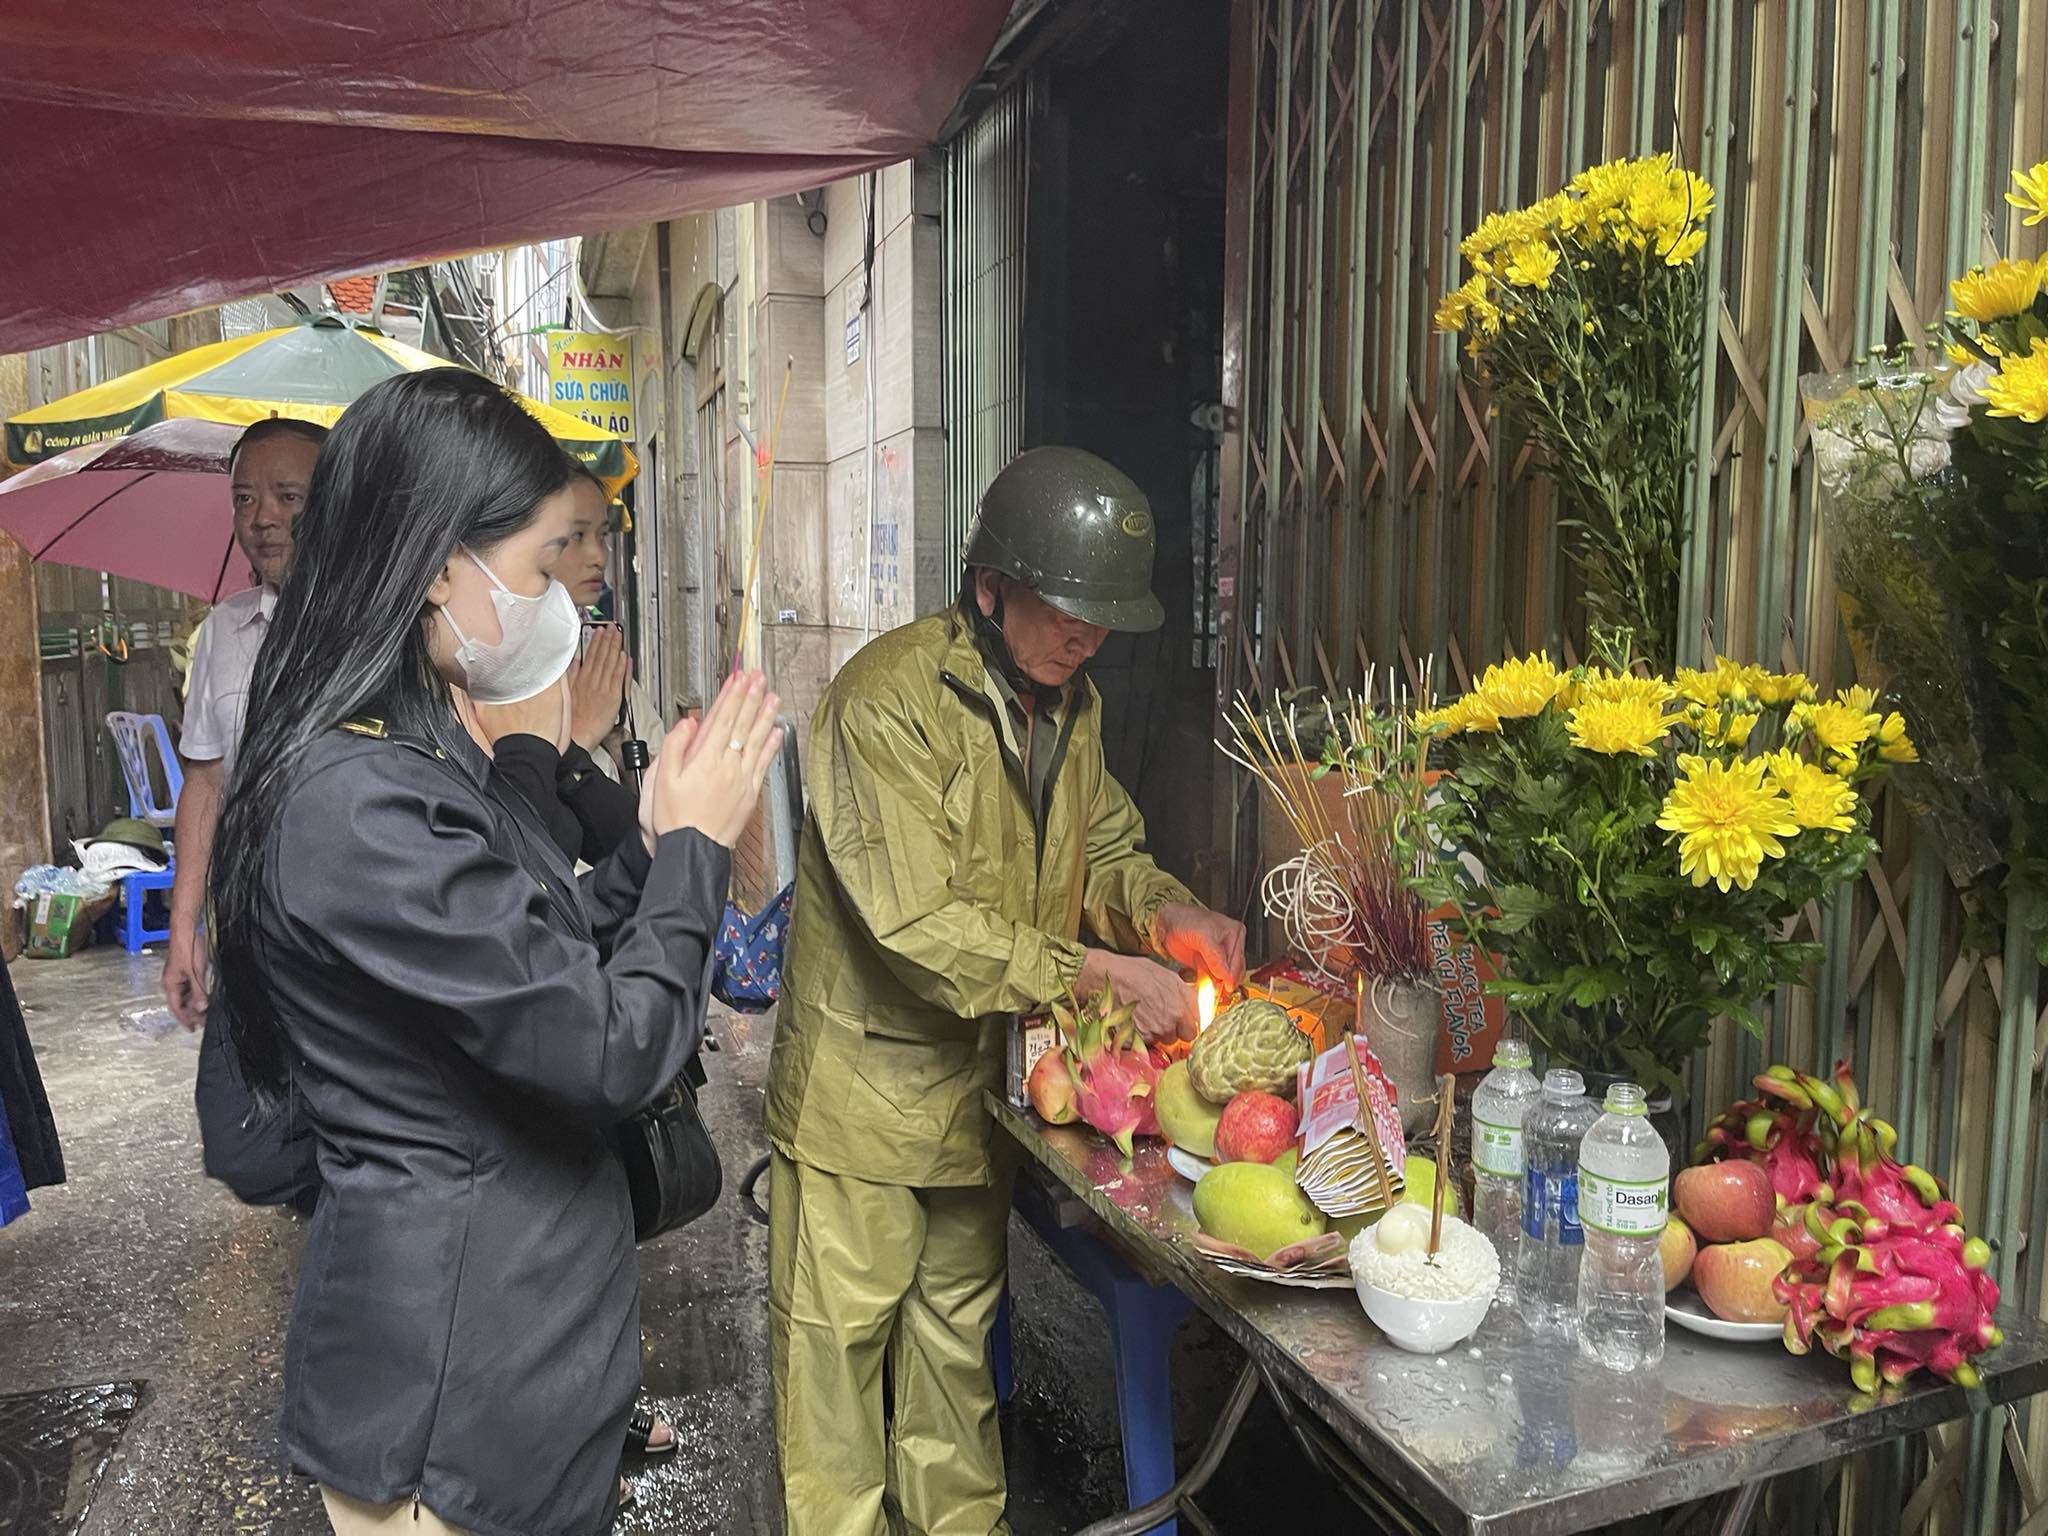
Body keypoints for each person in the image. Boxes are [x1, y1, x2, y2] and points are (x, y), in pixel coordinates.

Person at [207, 367, 782, 1536]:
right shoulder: (352, 799)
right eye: (531, 570)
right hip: (453, 1395)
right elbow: (605, 1050)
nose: (552, 606)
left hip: (520, 1365)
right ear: (433, 567)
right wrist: (696, 857)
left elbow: (530, 946)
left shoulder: (411, 757)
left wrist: (655, 840)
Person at [764, 445, 1247, 1534]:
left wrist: (1165, 914)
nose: (1089, 635)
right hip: (863, 1106)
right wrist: (1093, 969)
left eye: (1102, 617)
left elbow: (1104, 846)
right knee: (835, 1379)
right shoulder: (883, 703)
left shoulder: (1067, 709)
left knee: (952, 1360)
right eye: (1068, 608)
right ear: (991, 585)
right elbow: (916, 923)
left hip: (974, 1102)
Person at [161, 416, 329, 1209]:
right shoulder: (224, 633)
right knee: (244, 1141)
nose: (262, 517)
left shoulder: (386, 626)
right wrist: (184, 929)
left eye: (287, 496)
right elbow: (204, 784)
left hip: (359, 935)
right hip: (257, 933)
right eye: (245, 499)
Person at [557, 461, 662, 783]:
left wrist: (619, 746)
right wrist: (581, 735)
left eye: (602, 536)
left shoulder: (600, 665)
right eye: (576, 535)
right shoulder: (496, 676)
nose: (598, 556)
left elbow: (656, 797)